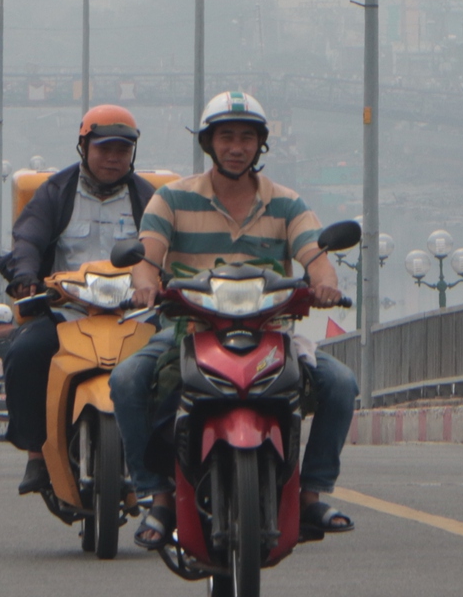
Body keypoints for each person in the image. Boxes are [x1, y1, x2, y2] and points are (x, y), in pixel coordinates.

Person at [116, 89, 358, 548]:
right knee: (127, 380)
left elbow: (316, 254)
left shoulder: (286, 203)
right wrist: (145, 283)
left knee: (340, 383)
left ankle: (311, 495)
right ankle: (157, 495)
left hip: (272, 333)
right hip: (188, 330)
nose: (236, 147)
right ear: (209, 143)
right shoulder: (172, 198)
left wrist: (325, 282)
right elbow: (146, 257)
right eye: (226, 137)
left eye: (247, 138)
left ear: (260, 145)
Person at [0, 105, 159, 494]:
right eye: (104, 148)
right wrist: (25, 275)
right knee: (23, 354)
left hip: (135, 315)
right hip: (68, 311)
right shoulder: (55, 192)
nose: (113, 158)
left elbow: (170, 248)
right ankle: (37, 454)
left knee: (182, 359)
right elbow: (29, 239)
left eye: (122, 150)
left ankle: (166, 456)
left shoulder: (150, 200)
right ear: (84, 147)